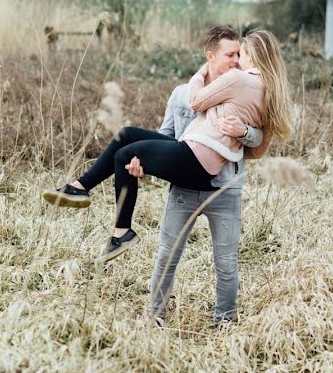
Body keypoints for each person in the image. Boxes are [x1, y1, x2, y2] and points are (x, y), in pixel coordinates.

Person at [42, 29, 292, 273]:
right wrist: (145, 163)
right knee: (126, 136)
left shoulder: (244, 85)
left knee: (124, 155)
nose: (237, 61)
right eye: (231, 55)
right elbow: (166, 138)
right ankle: (80, 187)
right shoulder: (182, 93)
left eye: (240, 54)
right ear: (210, 56)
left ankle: (122, 231)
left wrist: (243, 132)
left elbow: (257, 141)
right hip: (183, 155)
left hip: (210, 174)